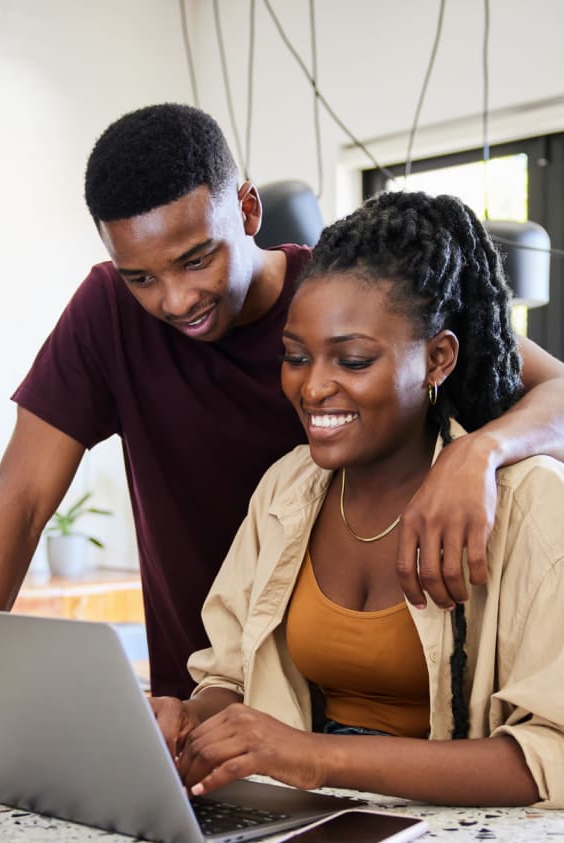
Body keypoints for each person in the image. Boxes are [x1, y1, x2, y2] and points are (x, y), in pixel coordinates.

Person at [0, 104, 564, 773]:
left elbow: (543, 381)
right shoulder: (109, 314)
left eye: (197, 260)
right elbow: (22, 496)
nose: (174, 299)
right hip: (208, 699)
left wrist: (479, 452)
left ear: (247, 209)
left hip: (364, 735)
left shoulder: (347, 296)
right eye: (141, 277)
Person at [157, 190, 564, 807]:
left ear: (437, 359)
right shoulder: (287, 489)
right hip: (308, 819)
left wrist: (317, 758)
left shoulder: (529, 503)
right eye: (295, 357)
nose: (313, 387)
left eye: (352, 360)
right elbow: (231, 676)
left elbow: (552, 754)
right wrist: (191, 719)